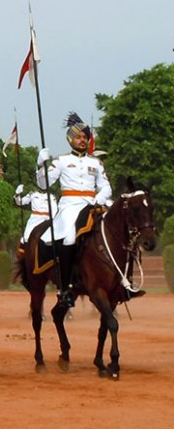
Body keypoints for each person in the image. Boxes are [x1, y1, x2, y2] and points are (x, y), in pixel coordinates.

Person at [36, 112, 141, 307]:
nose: (82, 140)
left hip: (94, 203)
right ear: (71, 139)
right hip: (70, 205)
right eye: (78, 137)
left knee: (125, 228)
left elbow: (106, 187)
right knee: (68, 236)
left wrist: (97, 200)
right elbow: (44, 184)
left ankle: (125, 282)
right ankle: (65, 288)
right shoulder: (61, 161)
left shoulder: (96, 163)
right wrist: (41, 164)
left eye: (85, 137)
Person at [13, 183, 57, 248]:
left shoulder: (51, 197)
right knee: (26, 237)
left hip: (47, 219)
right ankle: (23, 255)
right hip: (35, 219)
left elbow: (54, 210)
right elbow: (20, 202)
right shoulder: (32, 194)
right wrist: (17, 194)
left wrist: (52, 220)